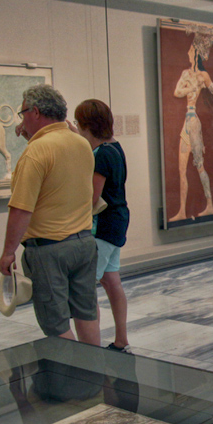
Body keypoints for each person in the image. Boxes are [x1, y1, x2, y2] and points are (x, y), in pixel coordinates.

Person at [0, 84, 100, 346]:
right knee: (86, 313)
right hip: (84, 244)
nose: (21, 121)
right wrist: (32, 139)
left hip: (50, 250)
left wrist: (9, 252)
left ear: (34, 112)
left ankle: (75, 378)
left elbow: (21, 208)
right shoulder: (81, 144)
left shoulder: (36, 152)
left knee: (55, 324)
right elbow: (58, 169)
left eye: (22, 114)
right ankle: (95, 373)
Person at [71, 99, 131, 353]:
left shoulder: (101, 155)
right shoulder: (114, 147)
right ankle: (121, 340)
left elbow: (92, 197)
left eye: (78, 124)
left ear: (86, 125)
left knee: (85, 289)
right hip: (117, 222)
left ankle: (90, 348)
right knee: (110, 280)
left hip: (102, 227)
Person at [169, 25, 213, 223]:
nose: (188, 52)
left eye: (192, 49)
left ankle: (210, 206)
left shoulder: (203, 76)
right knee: (181, 169)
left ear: (197, 52)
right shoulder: (186, 74)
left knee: (199, 166)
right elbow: (177, 92)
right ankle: (182, 211)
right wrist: (190, 86)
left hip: (193, 123)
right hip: (187, 121)